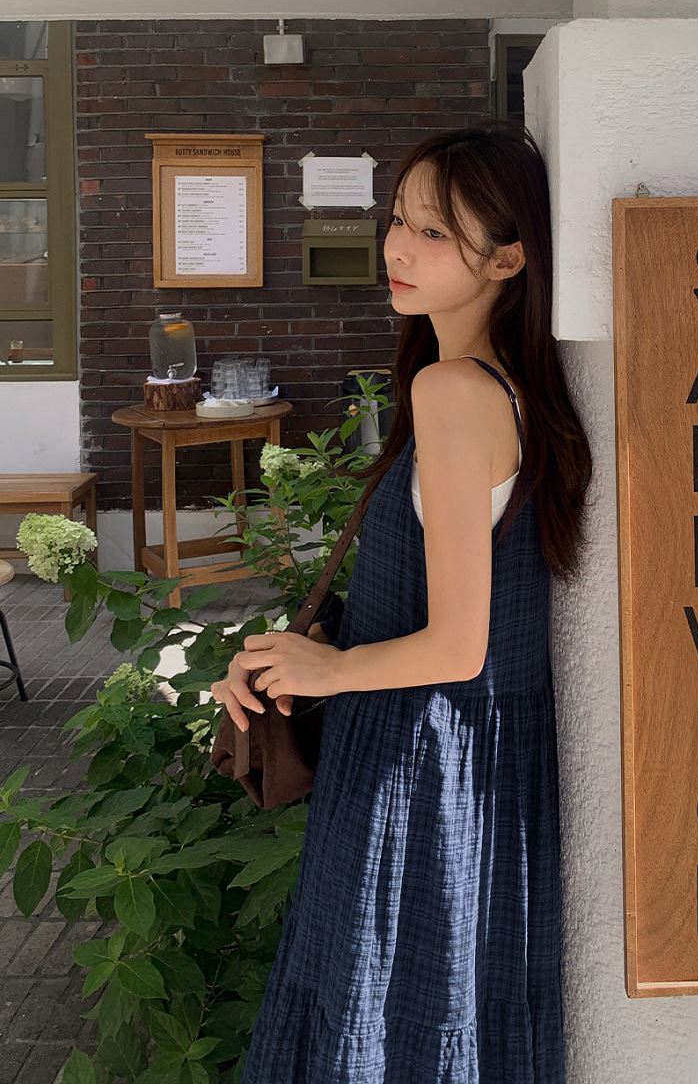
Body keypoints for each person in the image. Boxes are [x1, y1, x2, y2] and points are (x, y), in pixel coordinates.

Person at [211, 119, 593, 1082]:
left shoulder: (456, 391)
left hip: (420, 762)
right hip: (467, 764)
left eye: (433, 231)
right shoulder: (504, 386)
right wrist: (302, 661)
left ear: (507, 258)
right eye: (397, 220)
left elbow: (459, 643)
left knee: (375, 1024)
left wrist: (331, 667)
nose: (398, 247)